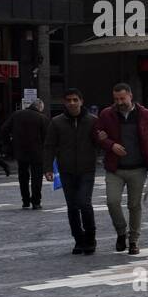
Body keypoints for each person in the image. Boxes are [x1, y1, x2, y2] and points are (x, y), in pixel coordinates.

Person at [94, 83, 148, 254]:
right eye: (116, 99)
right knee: (112, 201)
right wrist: (110, 145)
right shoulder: (106, 114)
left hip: (138, 168)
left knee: (134, 205)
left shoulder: (145, 114)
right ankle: (121, 232)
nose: (119, 102)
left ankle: (133, 240)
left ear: (130, 95)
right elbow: (98, 135)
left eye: (122, 98)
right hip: (115, 168)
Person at [42, 89, 99, 254]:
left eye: (75, 100)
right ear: (64, 102)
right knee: (72, 206)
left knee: (84, 203)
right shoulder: (56, 122)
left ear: (81, 101)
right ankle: (78, 240)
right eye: (69, 100)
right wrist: (47, 168)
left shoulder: (93, 121)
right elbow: (49, 146)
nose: (72, 103)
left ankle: (90, 238)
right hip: (66, 170)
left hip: (87, 169)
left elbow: (101, 142)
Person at [2, 99, 50, 208]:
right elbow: (48, 138)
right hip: (37, 152)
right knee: (36, 177)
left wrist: (9, 144)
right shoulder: (42, 118)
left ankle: (25, 200)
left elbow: (4, 129)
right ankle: (36, 202)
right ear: (40, 107)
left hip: (21, 151)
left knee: (23, 176)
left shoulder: (17, 114)